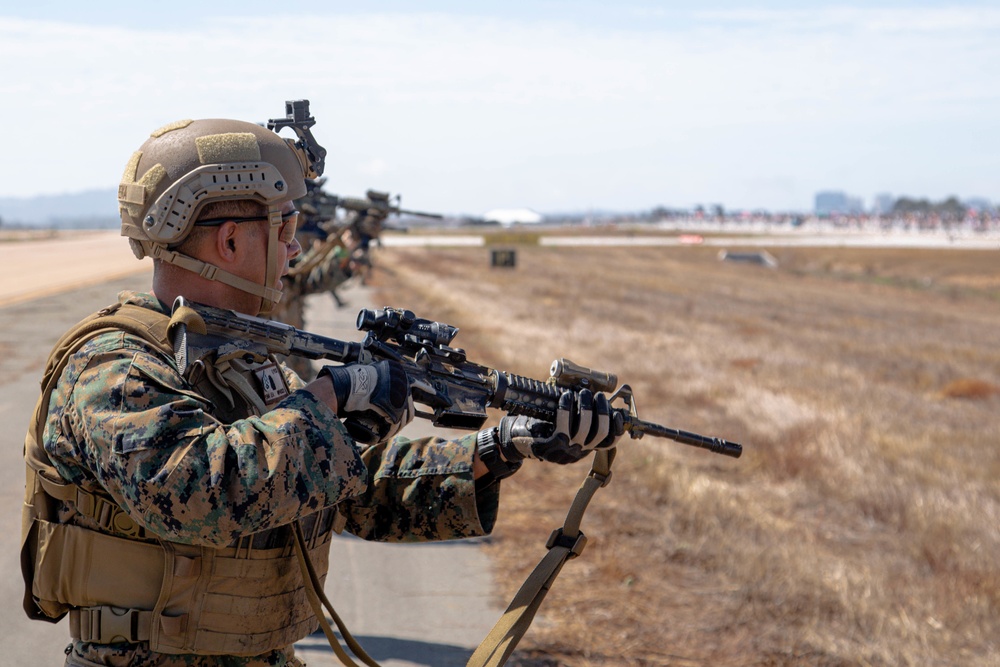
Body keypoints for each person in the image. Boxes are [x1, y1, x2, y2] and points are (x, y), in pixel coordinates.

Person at [20, 107, 619, 667]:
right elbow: (200, 494)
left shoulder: (245, 361)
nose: (295, 249)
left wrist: (504, 447)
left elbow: (351, 490)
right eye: (284, 230)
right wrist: (330, 401)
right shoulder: (115, 365)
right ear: (230, 241)